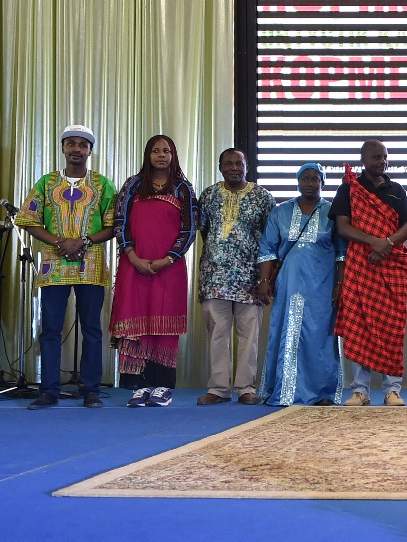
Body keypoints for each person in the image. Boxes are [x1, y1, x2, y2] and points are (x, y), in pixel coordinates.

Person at [18, 125, 117, 409]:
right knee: (50, 328)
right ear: (63, 148)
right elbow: (28, 220)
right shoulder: (47, 183)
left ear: (90, 150)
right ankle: (49, 390)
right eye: (71, 143)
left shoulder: (102, 184)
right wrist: (60, 242)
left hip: (91, 264)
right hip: (54, 264)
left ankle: (91, 390)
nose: (76, 149)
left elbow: (113, 225)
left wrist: (82, 241)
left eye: (82, 145)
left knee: (92, 329)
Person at [109, 134, 199, 407]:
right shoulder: (133, 185)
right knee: (137, 322)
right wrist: (132, 256)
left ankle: (162, 387)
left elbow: (189, 228)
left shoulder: (183, 188)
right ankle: (138, 387)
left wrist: (168, 259)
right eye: (156, 151)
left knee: (163, 325)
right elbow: (120, 222)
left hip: (168, 268)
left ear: (173, 156)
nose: (161, 155)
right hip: (133, 266)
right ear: (148, 155)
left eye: (166, 151)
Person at [254, 163, 347, 406]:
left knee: (320, 336)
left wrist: (340, 284)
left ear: (322, 183)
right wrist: (264, 281)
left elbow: (342, 252)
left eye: (315, 179)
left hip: (323, 285)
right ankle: (284, 390)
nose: (309, 183)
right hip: (289, 282)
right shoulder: (281, 212)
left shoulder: (333, 212)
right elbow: (267, 249)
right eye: (305, 179)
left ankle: (322, 392)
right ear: (297, 182)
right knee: (287, 330)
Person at [332, 140, 407, 406]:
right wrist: (374, 242)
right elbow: (343, 227)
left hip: (391, 267)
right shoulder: (349, 189)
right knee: (360, 326)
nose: (382, 161)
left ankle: (392, 390)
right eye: (376, 157)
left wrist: (386, 245)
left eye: (385, 157)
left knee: (392, 328)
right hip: (361, 265)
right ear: (364, 159)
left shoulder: (396, 190)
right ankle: (360, 390)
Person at [196, 149, 275, 406]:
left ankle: (245, 388)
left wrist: (266, 279)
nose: (234, 168)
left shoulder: (262, 197)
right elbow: (205, 232)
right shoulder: (208, 195)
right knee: (217, 333)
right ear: (220, 167)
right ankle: (218, 388)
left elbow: (271, 239)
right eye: (228, 164)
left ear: (246, 166)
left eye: (239, 163)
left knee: (249, 335)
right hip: (214, 277)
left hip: (250, 278)